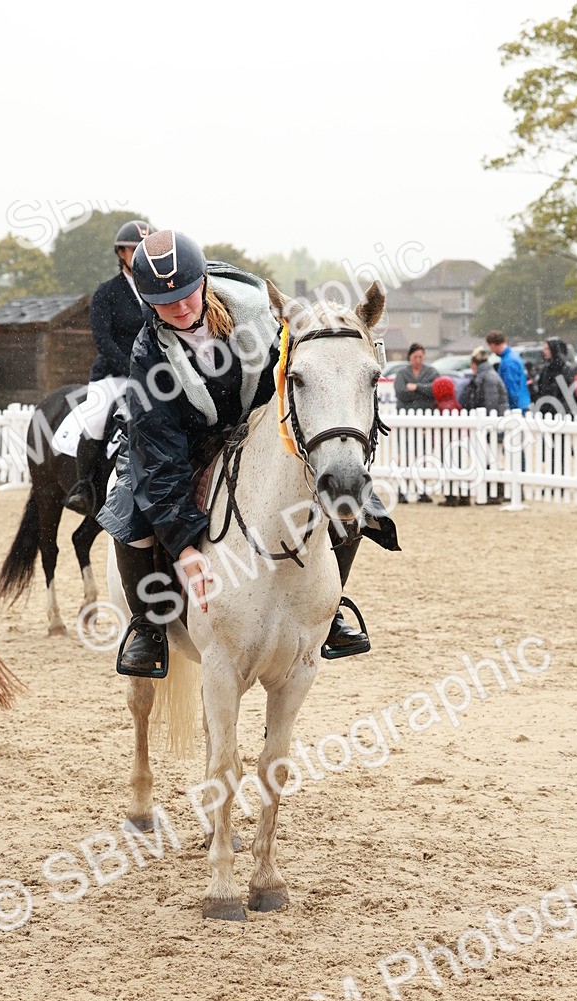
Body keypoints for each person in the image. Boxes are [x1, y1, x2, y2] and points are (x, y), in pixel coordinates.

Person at [96, 230, 399, 676]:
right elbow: (160, 450)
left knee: (352, 500)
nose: (180, 309)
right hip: (181, 442)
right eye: (164, 302)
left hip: (256, 428)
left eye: (185, 295)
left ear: (203, 281)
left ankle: (330, 610)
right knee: (130, 509)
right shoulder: (149, 353)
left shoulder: (258, 315)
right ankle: (149, 626)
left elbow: (300, 372)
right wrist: (184, 546)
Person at [63, 218, 155, 515]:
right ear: (121, 253)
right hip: (113, 375)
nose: (141, 255)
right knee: (96, 419)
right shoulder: (107, 292)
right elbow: (102, 339)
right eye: (136, 249)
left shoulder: (157, 291)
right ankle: (84, 487)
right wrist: (131, 368)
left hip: (153, 374)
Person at [393, 343, 439, 502]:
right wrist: (423, 394)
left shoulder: (431, 372)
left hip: (426, 419)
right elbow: (401, 393)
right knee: (405, 456)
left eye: (421, 356)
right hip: (405, 419)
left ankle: (422, 490)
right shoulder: (402, 373)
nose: (418, 360)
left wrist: (416, 387)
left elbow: (435, 390)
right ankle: (402, 490)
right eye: (415, 357)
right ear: (410, 357)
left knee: (423, 456)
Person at [431, 377, 465, 507]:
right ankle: (464, 495)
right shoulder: (455, 403)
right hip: (458, 442)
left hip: (447, 443)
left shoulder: (443, 406)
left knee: (448, 468)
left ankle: (451, 496)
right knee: (460, 468)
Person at [485, 331, 530, 413]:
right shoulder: (513, 357)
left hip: (516, 409)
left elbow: (511, 389)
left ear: (493, 345)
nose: (492, 350)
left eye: (491, 347)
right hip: (523, 404)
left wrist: (510, 408)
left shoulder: (508, 362)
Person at [461, 347, 509, 415]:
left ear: (474, 364)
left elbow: (491, 403)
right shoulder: (486, 375)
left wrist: (486, 418)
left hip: (494, 418)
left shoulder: (488, 377)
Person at [534, 338, 576, 415]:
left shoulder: (564, 369)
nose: (544, 351)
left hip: (560, 413)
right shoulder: (546, 369)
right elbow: (541, 391)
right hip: (546, 411)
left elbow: (569, 394)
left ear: (553, 350)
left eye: (547, 349)